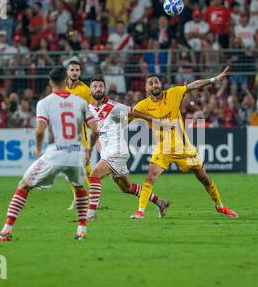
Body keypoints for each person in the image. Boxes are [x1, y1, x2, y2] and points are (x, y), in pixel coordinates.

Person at [0, 66, 99, 242]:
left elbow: (40, 130)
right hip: (76, 154)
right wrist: (90, 149)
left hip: (56, 153)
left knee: (24, 185)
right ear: (66, 81)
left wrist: (38, 147)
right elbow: (95, 130)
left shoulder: (45, 103)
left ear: (50, 82)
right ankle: (81, 231)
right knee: (79, 189)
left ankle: (5, 232)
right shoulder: (81, 102)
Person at [130, 67, 239, 219]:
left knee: (204, 178)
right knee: (150, 178)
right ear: (146, 87)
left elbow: (193, 85)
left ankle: (220, 206)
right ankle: (140, 211)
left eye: (156, 82)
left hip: (183, 147)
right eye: (151, 83)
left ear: (161, 84)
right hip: (163, 149)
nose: (154, 85)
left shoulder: (173, 93)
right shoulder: (143, 105)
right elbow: (127, 116)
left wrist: (214, 79)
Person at [69, 77, 170, 220]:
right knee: (127, 188)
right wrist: (89, 150)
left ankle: (91, 213)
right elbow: (95, 132)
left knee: (94, 174)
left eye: (101, 86)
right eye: (95, 86)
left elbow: (134, 112)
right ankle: (160, 202)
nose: (98, 89)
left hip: (117, 151)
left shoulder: (114, 107)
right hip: (107, 153)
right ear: (90, 91)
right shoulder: (88, 109)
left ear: (105, 89)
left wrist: (155, 120)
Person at [65, 60, 94, 185]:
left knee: (86, 164)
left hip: (81, 132)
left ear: (80, 72)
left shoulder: (86, 90)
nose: (74, 72)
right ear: (67, 72)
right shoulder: (60, 88)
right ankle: (77, 197)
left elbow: (92, 110)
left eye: (77, 70)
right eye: (72, 70)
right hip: (65, 133)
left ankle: (94, 196)